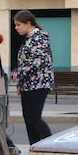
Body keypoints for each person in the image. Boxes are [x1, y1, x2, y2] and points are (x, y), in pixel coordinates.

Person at [13, 10, 54, 145]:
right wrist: (20, 84)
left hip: (39, 84)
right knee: (28, 119)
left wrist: (17, 75)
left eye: (19, 25)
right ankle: (34, 149)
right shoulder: (30, 38)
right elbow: (27, 61)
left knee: (33, 118)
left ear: (28, 23)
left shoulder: (39, 37)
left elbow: (37, 62)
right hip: (29, 85)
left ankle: (51, 146)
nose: (16, 28)